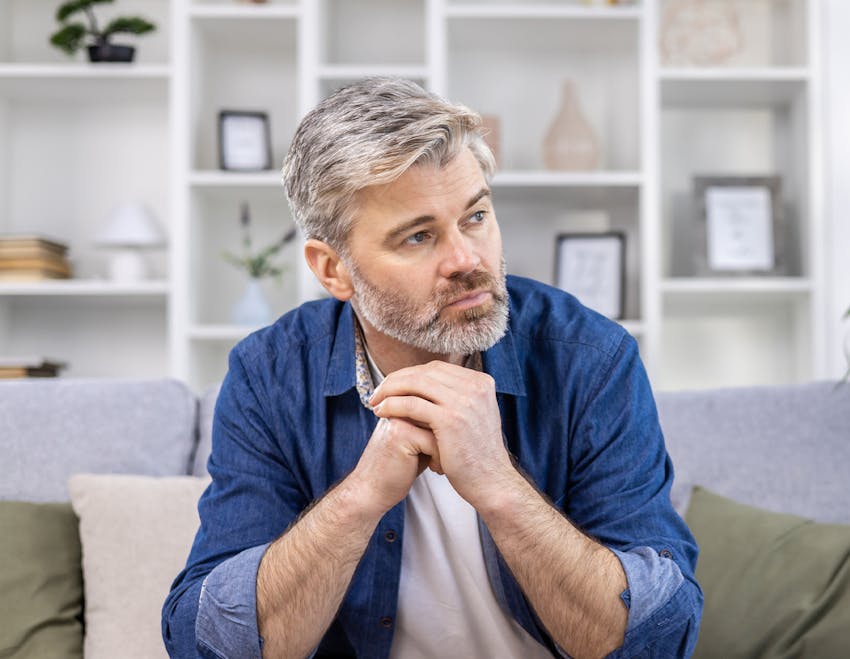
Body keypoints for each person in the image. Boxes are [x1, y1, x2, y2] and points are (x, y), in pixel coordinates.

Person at [163, 77, 702, 659]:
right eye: (418, 236)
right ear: (333, 270)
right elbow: (209, 644)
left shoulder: (589, 358)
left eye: (475, 217)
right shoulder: (269, 375)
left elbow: (659, 639)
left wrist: (497, 483)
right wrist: (361, 497)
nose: (468, 261)